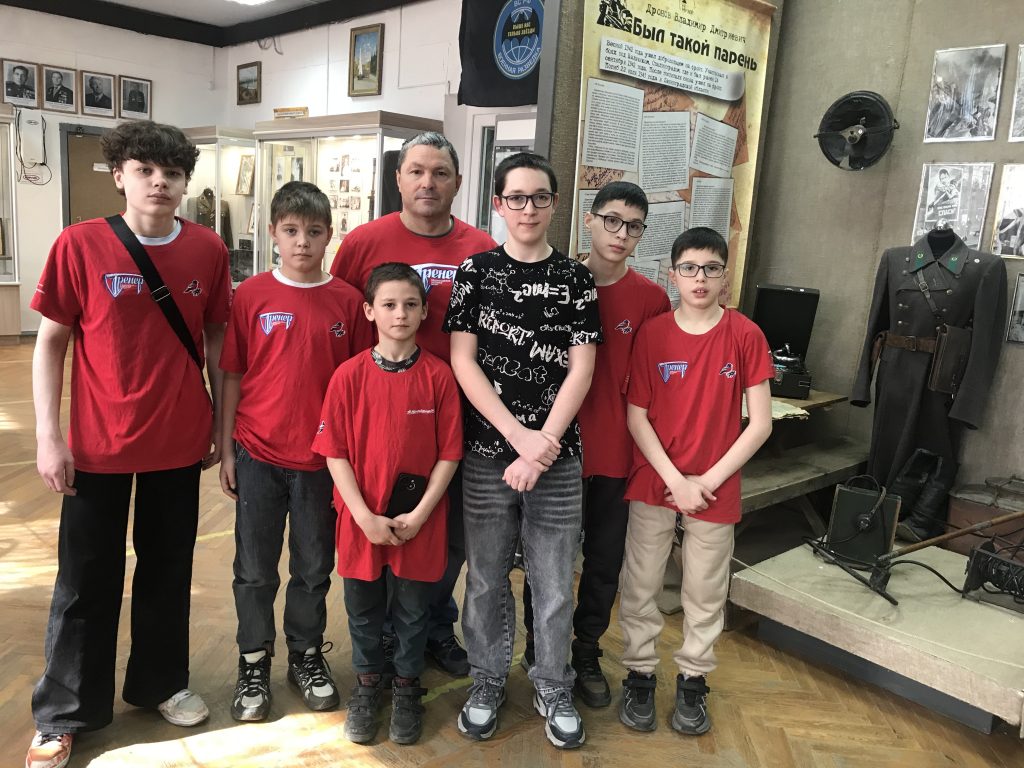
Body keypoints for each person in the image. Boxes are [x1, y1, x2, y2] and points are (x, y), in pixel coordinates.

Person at [27, 120, 232, 768]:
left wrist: (220, 425)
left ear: (185, 182)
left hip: (178, 440)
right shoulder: (80, 244)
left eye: (172, 173)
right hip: (98, 447)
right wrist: (49, 437)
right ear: (119, 176)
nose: (159, 183)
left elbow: (217, 341)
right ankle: (65, 712)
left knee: (168, 571)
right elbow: (50, 344)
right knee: (85, 581)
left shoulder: (207, 249)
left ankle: (160, 683)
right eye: (145, 170)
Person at [444, 152, 601, 750]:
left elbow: (581, 368)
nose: (528, 208)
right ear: (498, 204)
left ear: (554, 204)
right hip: (488, 453)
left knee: (554, 581)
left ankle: (553, 683)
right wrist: (518, 438)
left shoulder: (577, 279)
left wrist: (542, 448)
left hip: (558, 458)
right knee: (485, 579)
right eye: (516, 197)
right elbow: (463, 361)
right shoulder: (475, 272)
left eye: (539, 197)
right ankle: (486, 679)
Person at [330, 131, 495, 677]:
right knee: (382, 525)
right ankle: (384, 638)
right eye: (417, 171)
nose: (428, 182)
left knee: (445, 537)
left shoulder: (480, 249)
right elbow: (343, 322)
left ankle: (432, 627)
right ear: (398, 179)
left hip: (456, 414)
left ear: (458, 182)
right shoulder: (363, 243)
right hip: (380, 418)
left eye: (440, 173)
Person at [219, 181, 372, 723]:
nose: (302, 241)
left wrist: (355, 459)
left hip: (323, 463)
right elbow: (232, 373)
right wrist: (226, 448)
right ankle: (253, 660)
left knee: (313, 567)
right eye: (291, 231)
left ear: (330, 236)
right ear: (273, 234)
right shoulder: (252, 295)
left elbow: (361, 385)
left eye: (313, 231)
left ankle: (305, 654)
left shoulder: (348, 301)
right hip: (257, 454)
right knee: (254, 569)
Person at [618, 226, 773, 737]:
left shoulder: (745, 334)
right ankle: (640, 673)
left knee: (705, 590)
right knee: (641, 583)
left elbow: (761, 424)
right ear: (673, 276)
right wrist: (675, 479)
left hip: (715, 485)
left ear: (725, 276)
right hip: (655, 479)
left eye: (710, 268)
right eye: (689, 268)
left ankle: (693, 680)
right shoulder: (653, 333)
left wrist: (704, 481)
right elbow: (637, 416)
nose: (699, 278)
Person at [521, 181, 670, 707]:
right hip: (554, 450)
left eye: (633, 226)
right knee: (547, 564)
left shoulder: (651, 300)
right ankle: (542, 650)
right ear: (589, 219)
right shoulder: (556, 281)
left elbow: (654, 387)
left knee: (603, 564)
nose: (620, 234)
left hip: (616, 454)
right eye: (611, 221)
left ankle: (585, 650)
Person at [313, 263, 463, 745]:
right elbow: (334, 452)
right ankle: (367, 683)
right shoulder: (348, 377)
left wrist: (420, 514)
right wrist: (362, 516)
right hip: (361, 520)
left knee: (414, 610)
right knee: (362, 608)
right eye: (390, 305)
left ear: (424, 313)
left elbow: (449, 454)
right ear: (369, 311)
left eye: (410, 305)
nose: (400, 314)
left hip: (419, 522)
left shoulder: (439, 377)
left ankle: (406, 685)